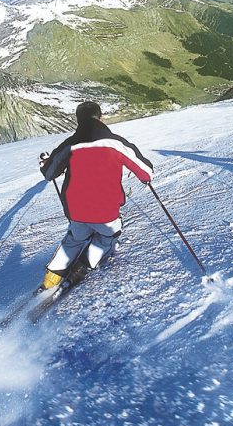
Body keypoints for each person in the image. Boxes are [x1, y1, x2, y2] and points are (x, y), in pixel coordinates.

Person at [37, 101, 154, 291]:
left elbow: (49, 174)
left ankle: (51, 278)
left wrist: (45, 164)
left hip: (76, 212)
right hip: (106, 212)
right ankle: (83, 266)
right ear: (100, 117)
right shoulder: (115, 143)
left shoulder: (70, 145)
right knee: (108, 236)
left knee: (74, 239)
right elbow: (146, 173)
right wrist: (144, 176)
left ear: (78, 120)